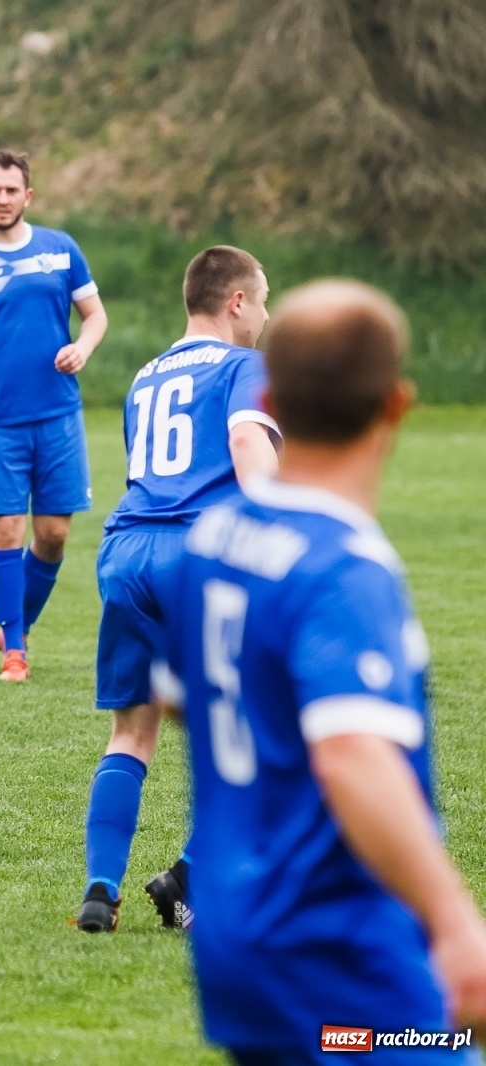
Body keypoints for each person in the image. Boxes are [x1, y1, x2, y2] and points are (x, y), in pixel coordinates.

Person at [155, 280, 486, 1062]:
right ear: (395, 406)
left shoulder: (212, 541)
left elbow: (176, 697)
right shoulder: (345, 569)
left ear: (269, 394)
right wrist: (455, 924)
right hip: (343, 958)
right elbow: (352, 759)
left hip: (238, 944)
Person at [76, 247, 279, 933]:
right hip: (201, 554)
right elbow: (249, 447)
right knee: (250, 729)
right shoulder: (246, 367)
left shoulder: (147, 373)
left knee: (131, 733)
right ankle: (186, 878)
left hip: (128, 550)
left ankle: (100, 893)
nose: (268, 315)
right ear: (237, 302)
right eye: (264, 299)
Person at [0, 149, 108, 681]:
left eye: (12, 190)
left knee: (53, 533)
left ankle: (17, 622)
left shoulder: (61, 250)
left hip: (59, 416)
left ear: (27, 196)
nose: (3, 199)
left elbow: (96, 316)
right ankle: (15, 651)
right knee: (8, 529)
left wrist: (84, 347)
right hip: (0, 423)